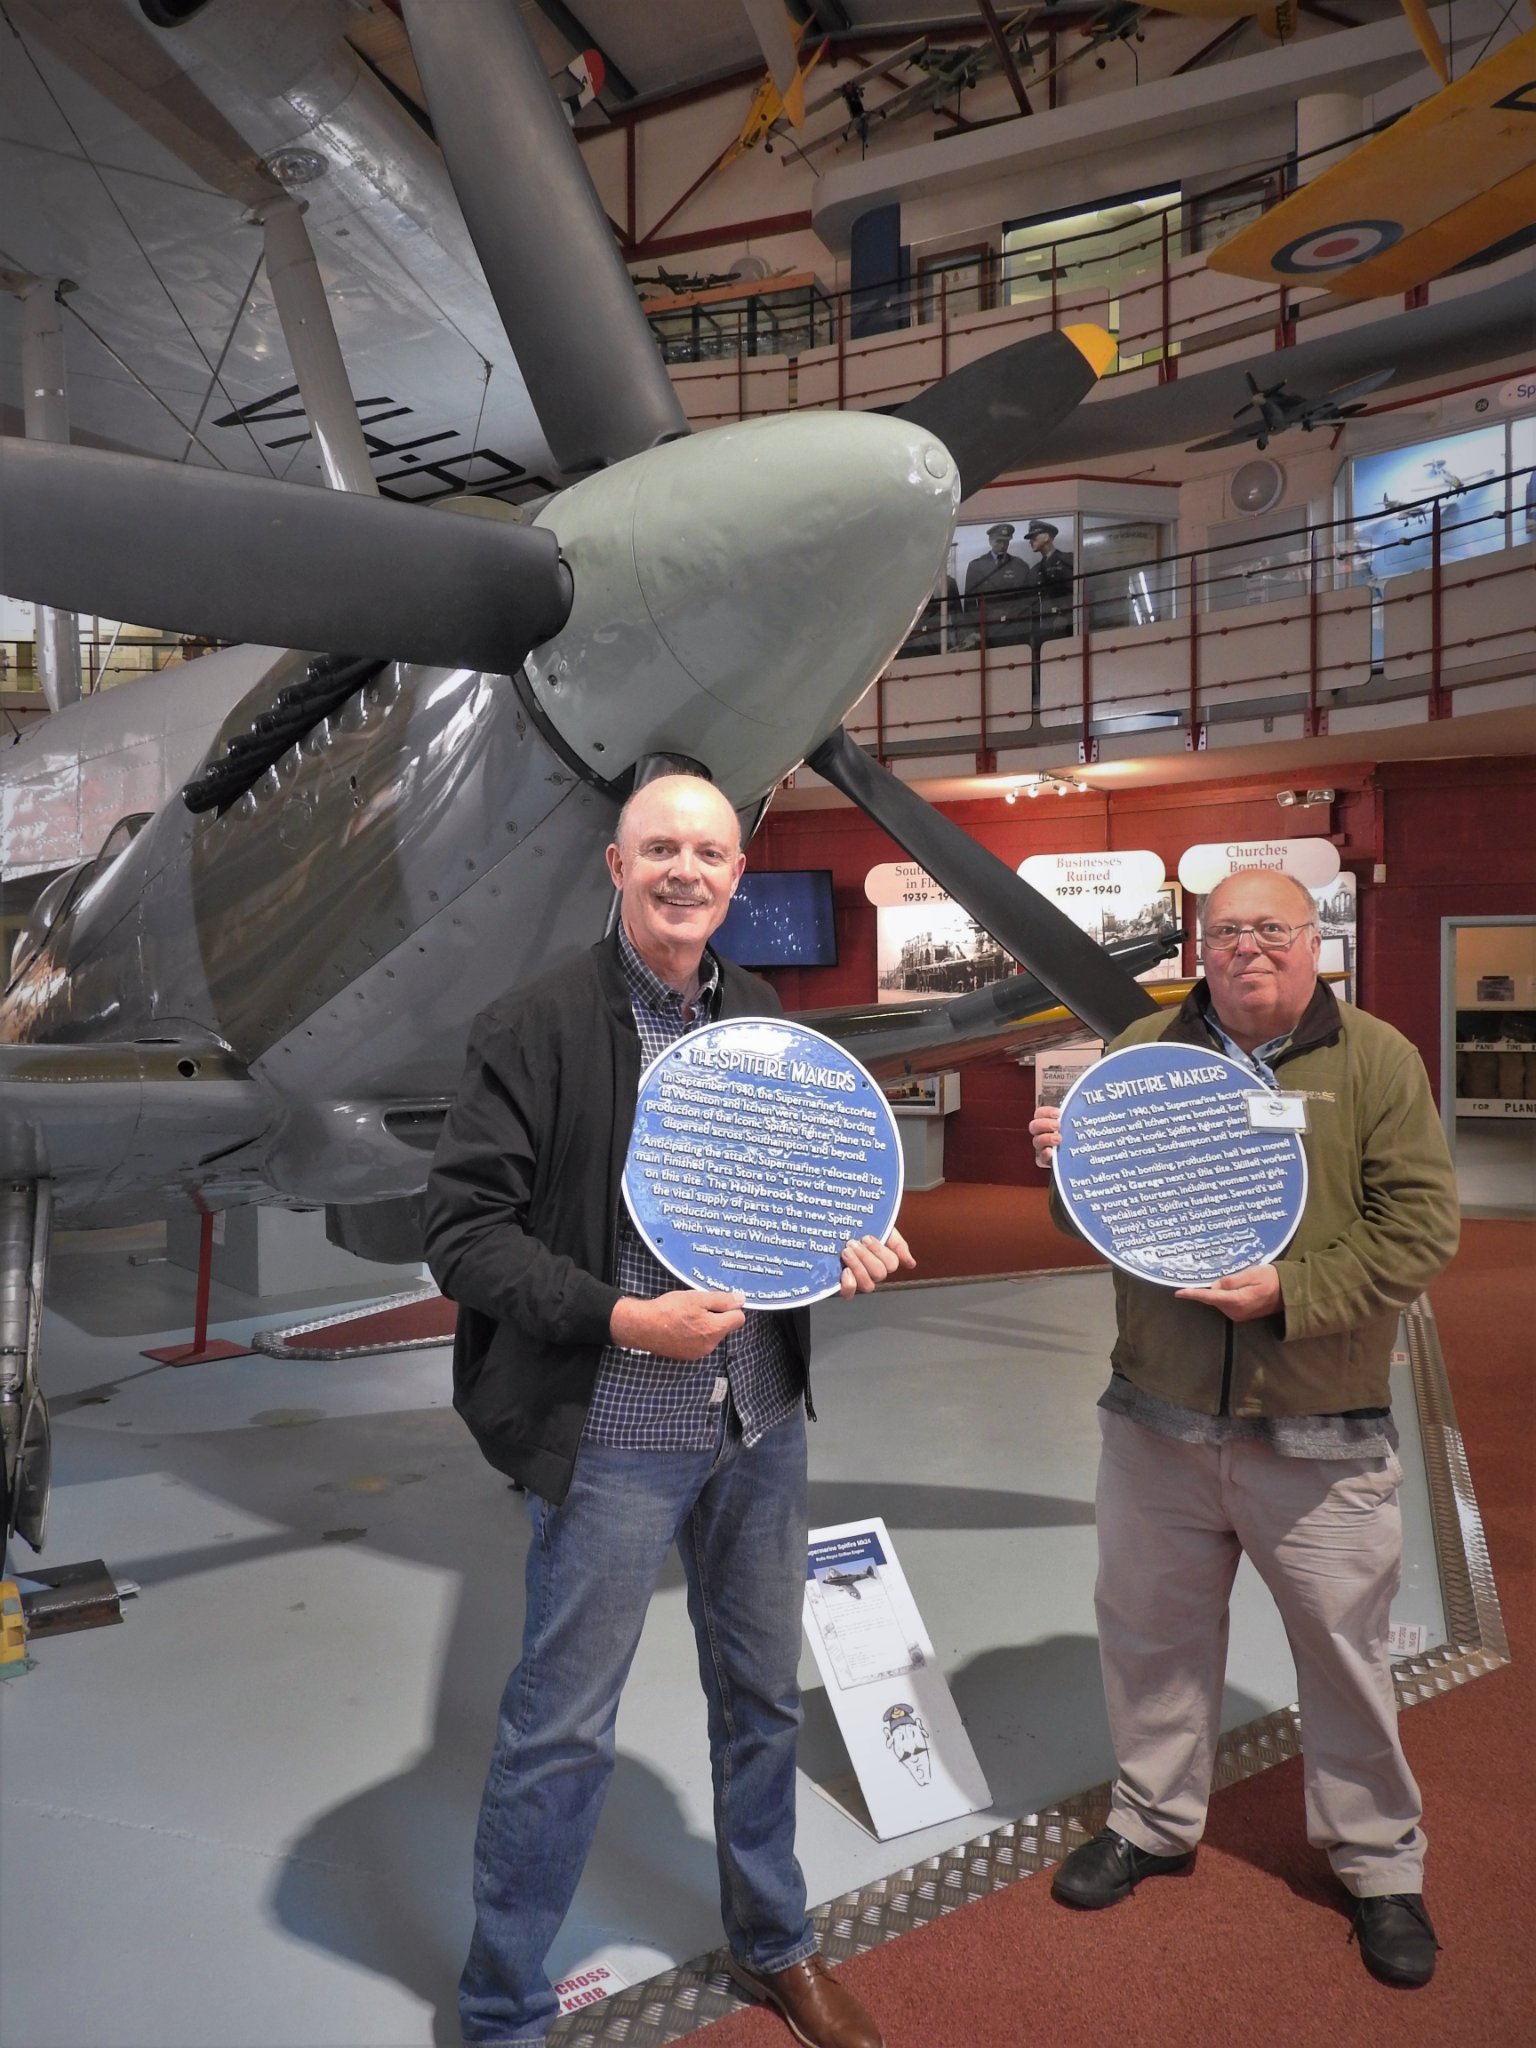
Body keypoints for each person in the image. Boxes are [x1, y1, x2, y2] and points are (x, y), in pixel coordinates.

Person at [424, 772, 913, 2048]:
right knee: (562, 1728)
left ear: (738, 875)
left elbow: (793, 1201)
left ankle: (775, 1939)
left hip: (758, 1416)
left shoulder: (764, 1021)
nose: (684, 870)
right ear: (617, 865)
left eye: (708, 851)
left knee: (764, 1697)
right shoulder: (532, 1024)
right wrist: (622, 1317)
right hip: (615, 1428)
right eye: (660, 849)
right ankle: (502, 2007)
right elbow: (463, 1235)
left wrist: (848, 1244)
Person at [1028, 867, 1459, 1990]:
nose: (1249, 947)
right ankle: (1152, 1820)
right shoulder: (1140, 1051)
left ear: (1316, 940)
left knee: (1345, 1656)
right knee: (1150, 1638)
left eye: (1273, 928)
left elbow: (1420, 1231)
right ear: (1200, 946)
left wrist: (1289, 1294)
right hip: (1156, 1422)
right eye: (1227, 931)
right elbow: (1097, 1217)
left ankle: (1378, 1863)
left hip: (1320, 1431)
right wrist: (1068, 1168)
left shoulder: (1376, 1060)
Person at [962, 521, 1034, 642]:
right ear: (990, 541)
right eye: (998, 541)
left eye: (1006, 542)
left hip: (1015, 629)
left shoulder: (1020, 566)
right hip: (989, 629)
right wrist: (975, 630)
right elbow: (970, 603)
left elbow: (1027, 600)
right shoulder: (976, 567)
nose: (1002, 545)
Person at [1024, 519, 1074, 640]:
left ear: (1046, 537)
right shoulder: (1035, 569)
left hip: (1065, 625)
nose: (1031, 541)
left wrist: (1065, 616)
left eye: (1034, 537)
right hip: (1043, 626)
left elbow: (1073, 590)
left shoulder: (1067, 560)